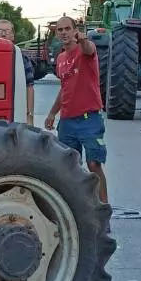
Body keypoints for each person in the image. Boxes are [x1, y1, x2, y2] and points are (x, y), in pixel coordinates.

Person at [43, 14, 108, 204]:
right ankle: (77, 210)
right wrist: (53, 113)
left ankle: (103, 209)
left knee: (94, 164)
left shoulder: (86, 50)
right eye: (60, 30)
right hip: (67, 121)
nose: (64, 33)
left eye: (67, 29)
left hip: (89, 119)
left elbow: (89, 48)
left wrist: (83, 38)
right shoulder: (61, 58)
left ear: (74, 30)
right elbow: (65, 88)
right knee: (69, 167)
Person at [0, 18, 35, 123]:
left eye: (7, 31)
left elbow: (29, 87)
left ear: (12, 35)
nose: (3, 34)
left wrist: (29, 116)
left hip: (15, 110)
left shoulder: (21, 58)